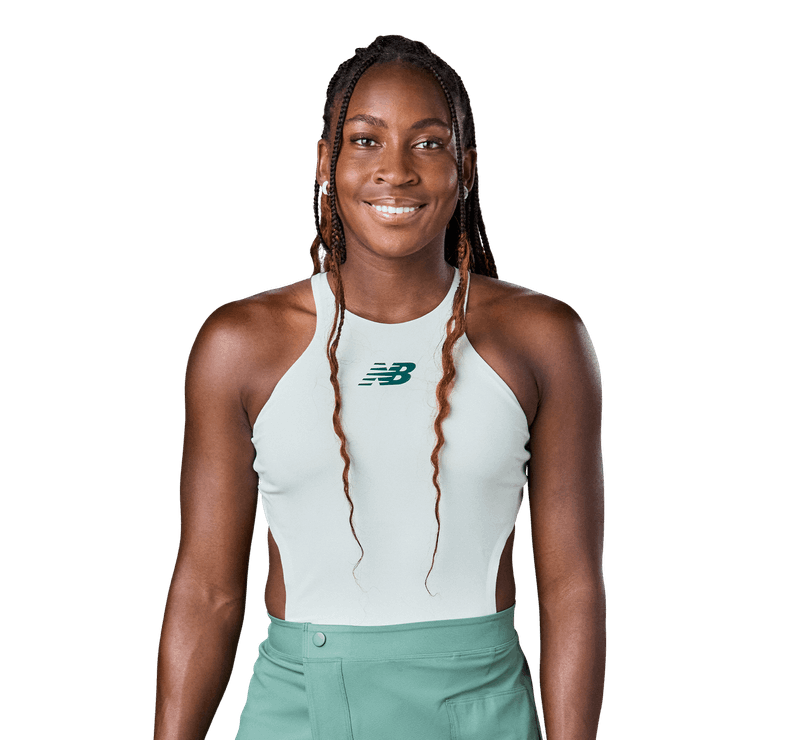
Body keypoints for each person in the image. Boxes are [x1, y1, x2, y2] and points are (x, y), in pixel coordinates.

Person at [154, 34, 606, 740]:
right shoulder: (240, 344)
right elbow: (208, 591)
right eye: (365, 141)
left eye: (428, 143)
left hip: (480, 709)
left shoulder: (544, 338)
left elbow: (573, 586)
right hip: (299, 707)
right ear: (323, 164)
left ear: (466, 169)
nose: (396, 170)